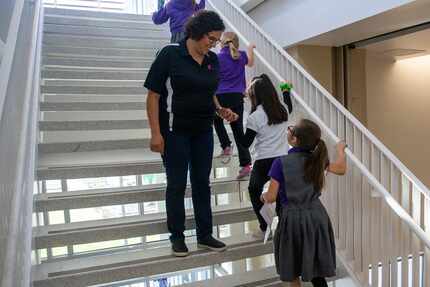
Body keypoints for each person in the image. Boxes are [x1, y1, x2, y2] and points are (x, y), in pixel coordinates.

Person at [144, 11, 237, 257]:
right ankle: (177, 236)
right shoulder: (170, 54)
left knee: (201, 183)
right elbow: (153, 96)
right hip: (175, 132)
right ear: (196, 32)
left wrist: (220, 109)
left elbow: (209, 92)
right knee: (176, 185)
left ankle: (205, 234)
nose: (213, 44)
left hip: (203, 131)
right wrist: (156, 133)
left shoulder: (212, 60)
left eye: (217, 40)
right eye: (211, 38)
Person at [261, 119, 347, 287]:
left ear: (294, 139)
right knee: (316, 267)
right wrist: (340, 151)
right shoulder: (317, 160)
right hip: (317, 217)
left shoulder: (280, 163)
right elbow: (341, 169)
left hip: (292, 221)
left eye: (290, 129)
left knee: (292, 268)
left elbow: (271, 197)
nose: (288, 130)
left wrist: (263, 196)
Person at [235, 74, 291, 238]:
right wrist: (286, 89)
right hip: (282, 159)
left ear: (255, 96)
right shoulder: (283, 110)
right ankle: (283, 227)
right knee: (281, 193)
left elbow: (245, 143)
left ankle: (264, 226)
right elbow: (289, 103)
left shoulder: (255, 117)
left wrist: (235, 124)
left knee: (253, 190)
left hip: (263, 161)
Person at [213, 32, 255, 179]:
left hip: (220, 96)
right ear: (236, 43)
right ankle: (246, 165)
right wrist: (250, 48)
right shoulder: (241, 55)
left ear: (221, 43)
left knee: (216, 120)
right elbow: (251, 63)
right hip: (237, 97)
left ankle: (226, 145)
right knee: (238, 130)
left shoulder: (217, 58)